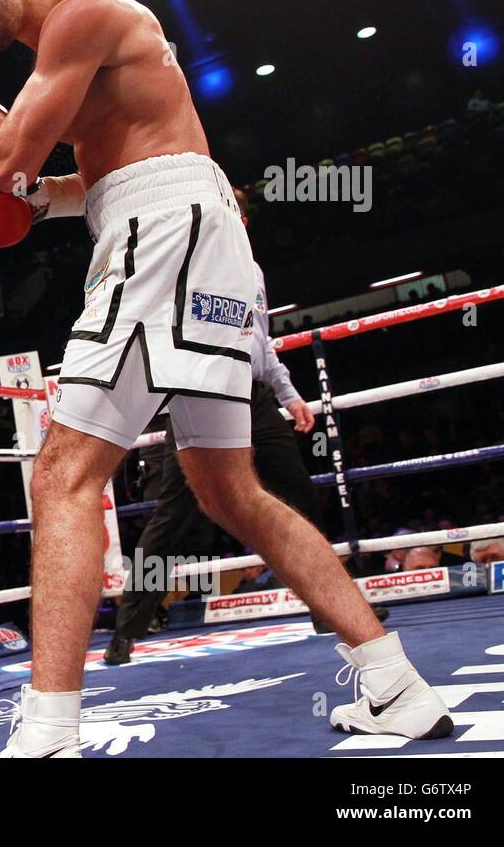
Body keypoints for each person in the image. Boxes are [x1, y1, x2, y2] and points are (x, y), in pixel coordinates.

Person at [0, 0, 451, 755]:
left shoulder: (84, 10)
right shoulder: (77, 52)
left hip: (163, 233)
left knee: (62, 477)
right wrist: (26, 197)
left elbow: (6, 153)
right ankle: (397, 683)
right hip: (187, 228)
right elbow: (83, 180)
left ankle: (47, 729)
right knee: (230, 488)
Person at [103, 189, 388, 663]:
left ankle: (331, 609)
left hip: (253, 396)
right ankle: (127, 630)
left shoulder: (251, 271)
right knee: (175, 517)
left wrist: (291, 395)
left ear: (242, 221)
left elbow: (262, 341)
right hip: (200, 391)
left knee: (297, 497)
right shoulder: (182, 262)